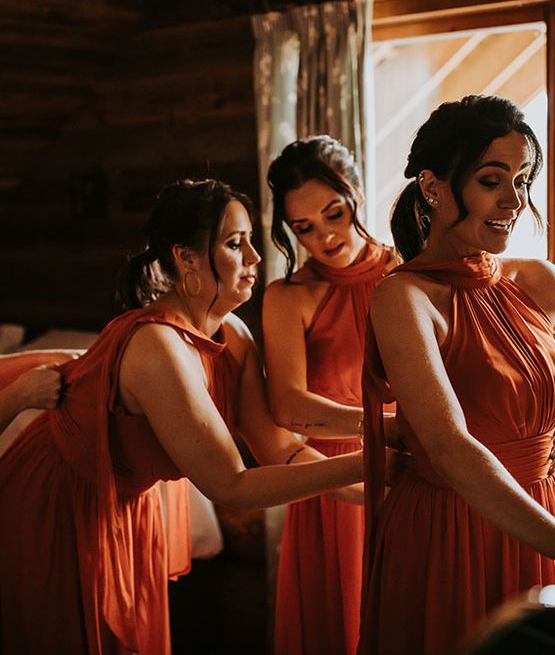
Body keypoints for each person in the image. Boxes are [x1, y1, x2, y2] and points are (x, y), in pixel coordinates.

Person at [0, 179, 366, 654]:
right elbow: (229, 484)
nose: (256, 258)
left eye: (251, 240)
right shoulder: (158, 346)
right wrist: (369, 463)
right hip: (60, 501)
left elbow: (278, 447)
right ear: (186, 258)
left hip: (128, 504)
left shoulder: (231, 333)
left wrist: (371, 489)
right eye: (236, 244)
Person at [360, 95, 555, 654]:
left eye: (523, 180)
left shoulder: (537, 280)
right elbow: (450, 447)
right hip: (449, 531)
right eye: (492, 180)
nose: (516, 199)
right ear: (434, 187)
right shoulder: (404, 298)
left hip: (541, 512)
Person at [262, 136, 397, 655]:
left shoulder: (407, 273)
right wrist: (386, 429)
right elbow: (290, 406)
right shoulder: (288, 297)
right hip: (332, 476)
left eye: (333, 214)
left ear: (357, 194)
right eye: (304, 229)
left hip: (419, 466)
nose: (324, 236)